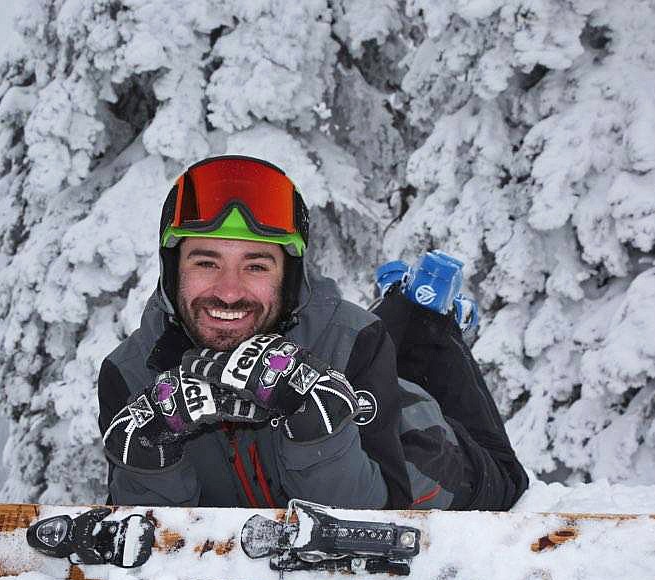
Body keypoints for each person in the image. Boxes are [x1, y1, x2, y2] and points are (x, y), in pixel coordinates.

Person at [97, 155, 527, 510]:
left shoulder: (355, 342)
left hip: (417, 444)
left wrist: (317, 429)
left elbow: (381, 519)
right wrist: (148, 463)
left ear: (289, 278)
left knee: (500, 478)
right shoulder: (129, 374)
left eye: (256, 266)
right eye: (206, 263)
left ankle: (424, 314)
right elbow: (148, 544)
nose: (228, 292)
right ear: (172, 269)